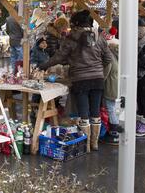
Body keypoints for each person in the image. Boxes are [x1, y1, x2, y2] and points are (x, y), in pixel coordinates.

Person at [40, 10, 112, 152]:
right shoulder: (99, 37)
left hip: (80, 80)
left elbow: (59, 57)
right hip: (97, 79)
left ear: (75, 24)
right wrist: (99, 72)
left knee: (84, 112)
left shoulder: (71, 39)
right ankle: (94, 143)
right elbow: (108, 59)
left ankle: (86, 146)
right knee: (95, 111)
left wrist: (43, 66)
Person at [102, 28, 121, 145]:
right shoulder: (117, 53)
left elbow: (106, 71)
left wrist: (99, 81)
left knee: (111, 108)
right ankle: (114, 129)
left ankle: (114, 132)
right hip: (115, 84)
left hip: (110, 85)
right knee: (113, 108)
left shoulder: (109, 56)